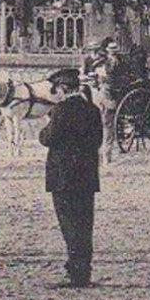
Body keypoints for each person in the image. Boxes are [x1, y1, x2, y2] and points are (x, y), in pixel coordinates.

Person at [38, 68, 103, 288]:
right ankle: (84, 271)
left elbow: (48, 138)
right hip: (86, 175)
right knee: (85, 224)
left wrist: (44, 128)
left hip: (63, 176)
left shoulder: (61, 110)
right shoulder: (92, 110)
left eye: (56, 90)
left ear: (63, 89)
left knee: (69, 225)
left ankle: (75, 273)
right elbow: (98, 141)